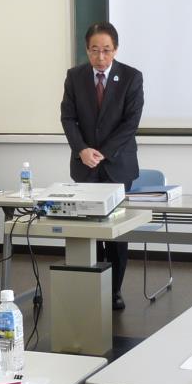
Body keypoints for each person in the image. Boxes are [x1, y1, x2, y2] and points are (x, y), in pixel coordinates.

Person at [59, 22, 144, 310]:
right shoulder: (75, 76)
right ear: (87, 50)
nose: (101, 57)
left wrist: (103, 153)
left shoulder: (131, 77)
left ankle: (114, 290)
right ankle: (90, 285)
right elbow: (68, 118)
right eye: (95, 50)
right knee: (88, 228)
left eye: (106, 50)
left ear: (115, 49)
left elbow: (130, 123)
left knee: (116, 232)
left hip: (117, 165)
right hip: (85, 166)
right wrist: (82, 150)